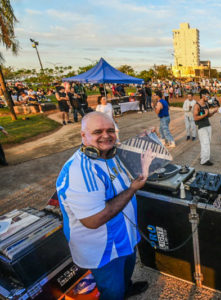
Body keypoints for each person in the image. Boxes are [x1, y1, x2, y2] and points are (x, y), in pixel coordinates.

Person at [56, 112, 151, 300]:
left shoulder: (111, 154)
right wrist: (132, 189)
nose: (106, 136)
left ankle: (127, 287)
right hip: (104, 249)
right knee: (112, 291)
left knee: (126, 271)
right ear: (83, 136)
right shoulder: (80, 171)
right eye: (97, 131)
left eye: (110, 130)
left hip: (125, 235)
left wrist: (145, 139)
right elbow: (94, 220)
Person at [193, 89, 218, 166]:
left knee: (206, 142)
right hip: (201, 126)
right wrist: (204, 114)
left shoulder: (206, 104)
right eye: (207, 96)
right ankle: (204, 160)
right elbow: (195, 118)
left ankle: (203, 156)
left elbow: (208, 115)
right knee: (205, 143)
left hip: (208, 125)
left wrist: (213, 112)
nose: (208, 98)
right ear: (203, 95)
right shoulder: (197, 105)